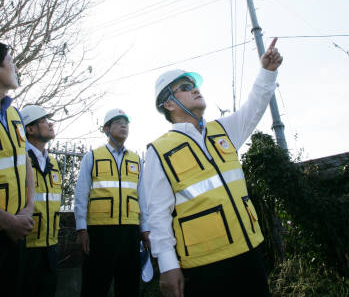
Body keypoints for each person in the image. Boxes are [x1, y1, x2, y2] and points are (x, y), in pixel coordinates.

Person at [144, 38, 283, 297]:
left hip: (250, 251)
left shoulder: (223, 130)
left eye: (195, 85)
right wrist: (167, 266)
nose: (195, 89)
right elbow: (158, 214)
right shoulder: (159, 151)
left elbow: (254, 107)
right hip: (205, 266)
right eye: (186, 87)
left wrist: (267, 71)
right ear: (169, 104)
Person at [74, 108, 150, 297]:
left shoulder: (136, 160)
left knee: (129, 286)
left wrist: (145, 228)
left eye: (126, 122)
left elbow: (143, 196)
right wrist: (81, 229)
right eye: (117, 122)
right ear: (106, 129)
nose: (123, 125)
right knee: (94, 286)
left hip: (130, 233)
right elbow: (81, 194)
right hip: (100, 233)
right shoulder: (92, 156)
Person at [0, 43, 35, 296]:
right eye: (10, 60)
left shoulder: (15, 115)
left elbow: (26, 164)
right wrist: (7, 221)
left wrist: (29, 207)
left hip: (16, 231)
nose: (15, 66)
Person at [21, 104, 62, 297]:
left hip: (50, 248)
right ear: (29, 129)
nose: (50, 124)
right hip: (25, 249)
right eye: (44, 121)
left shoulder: (53, 163)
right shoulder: (19, 160)